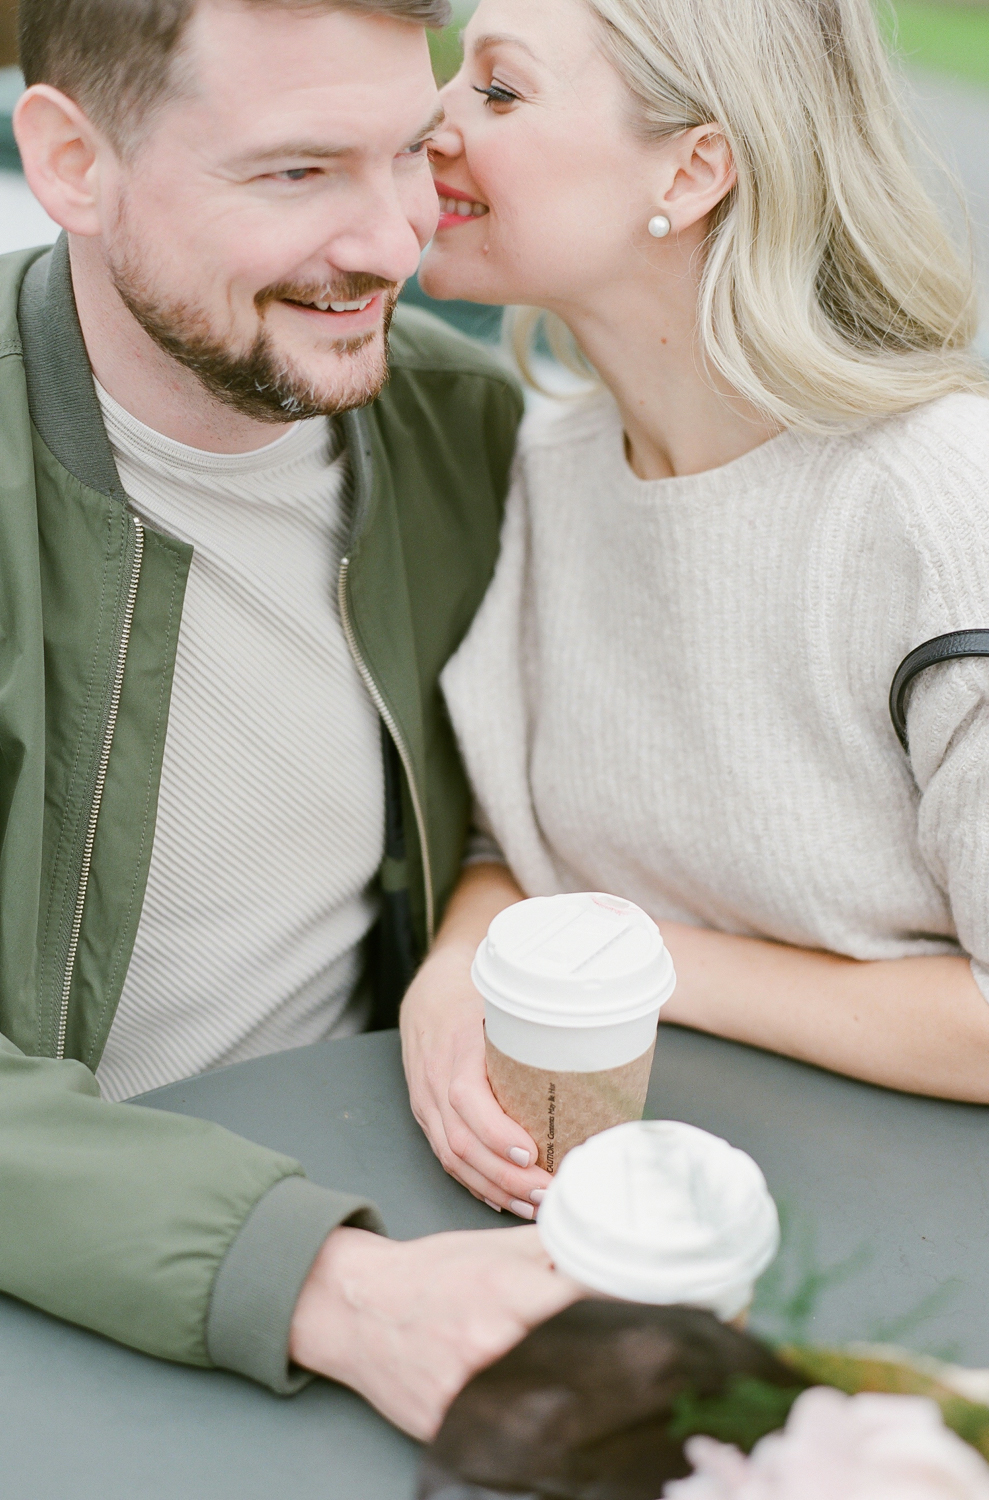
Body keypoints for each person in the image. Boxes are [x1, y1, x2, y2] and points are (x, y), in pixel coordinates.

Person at [400, 0, 989, 1220]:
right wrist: (464, 966)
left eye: (498, 91)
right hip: (611, 1215)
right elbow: (521, 839)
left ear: (694, 166)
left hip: (939, 1233)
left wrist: (639, 964)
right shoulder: (554, 462)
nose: (427, 119)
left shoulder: (954, 516)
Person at [0, 0, 579, 1441]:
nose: (392, 242)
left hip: (406, 1207)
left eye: (406, 152)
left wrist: (468, 943)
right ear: (73, 161)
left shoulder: (474, 437)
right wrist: (329, 1286)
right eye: (294, 172)